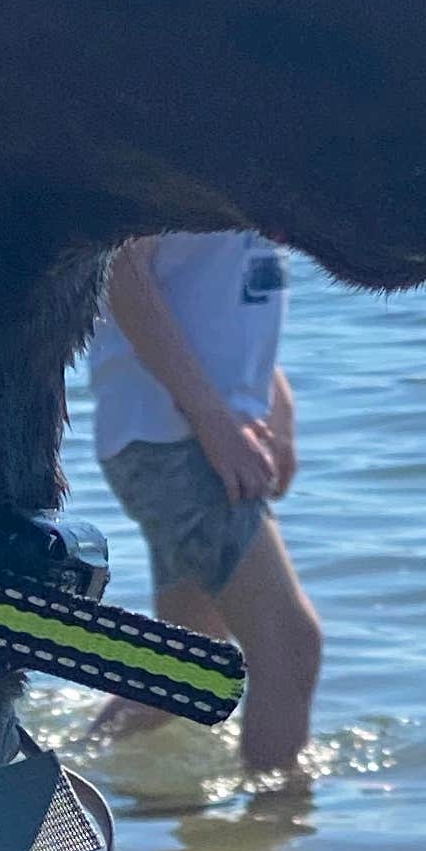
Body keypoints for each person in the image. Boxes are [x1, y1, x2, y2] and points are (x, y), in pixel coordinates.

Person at [87, 228, 324, 772]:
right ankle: (274, 823)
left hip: (194, 432)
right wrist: (214, 422)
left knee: (185, 666)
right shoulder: (176, 166)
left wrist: (277, 406)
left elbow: (220, 297)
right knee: (290, 647)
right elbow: (121, 267)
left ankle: (67, 775)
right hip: (175, 436)